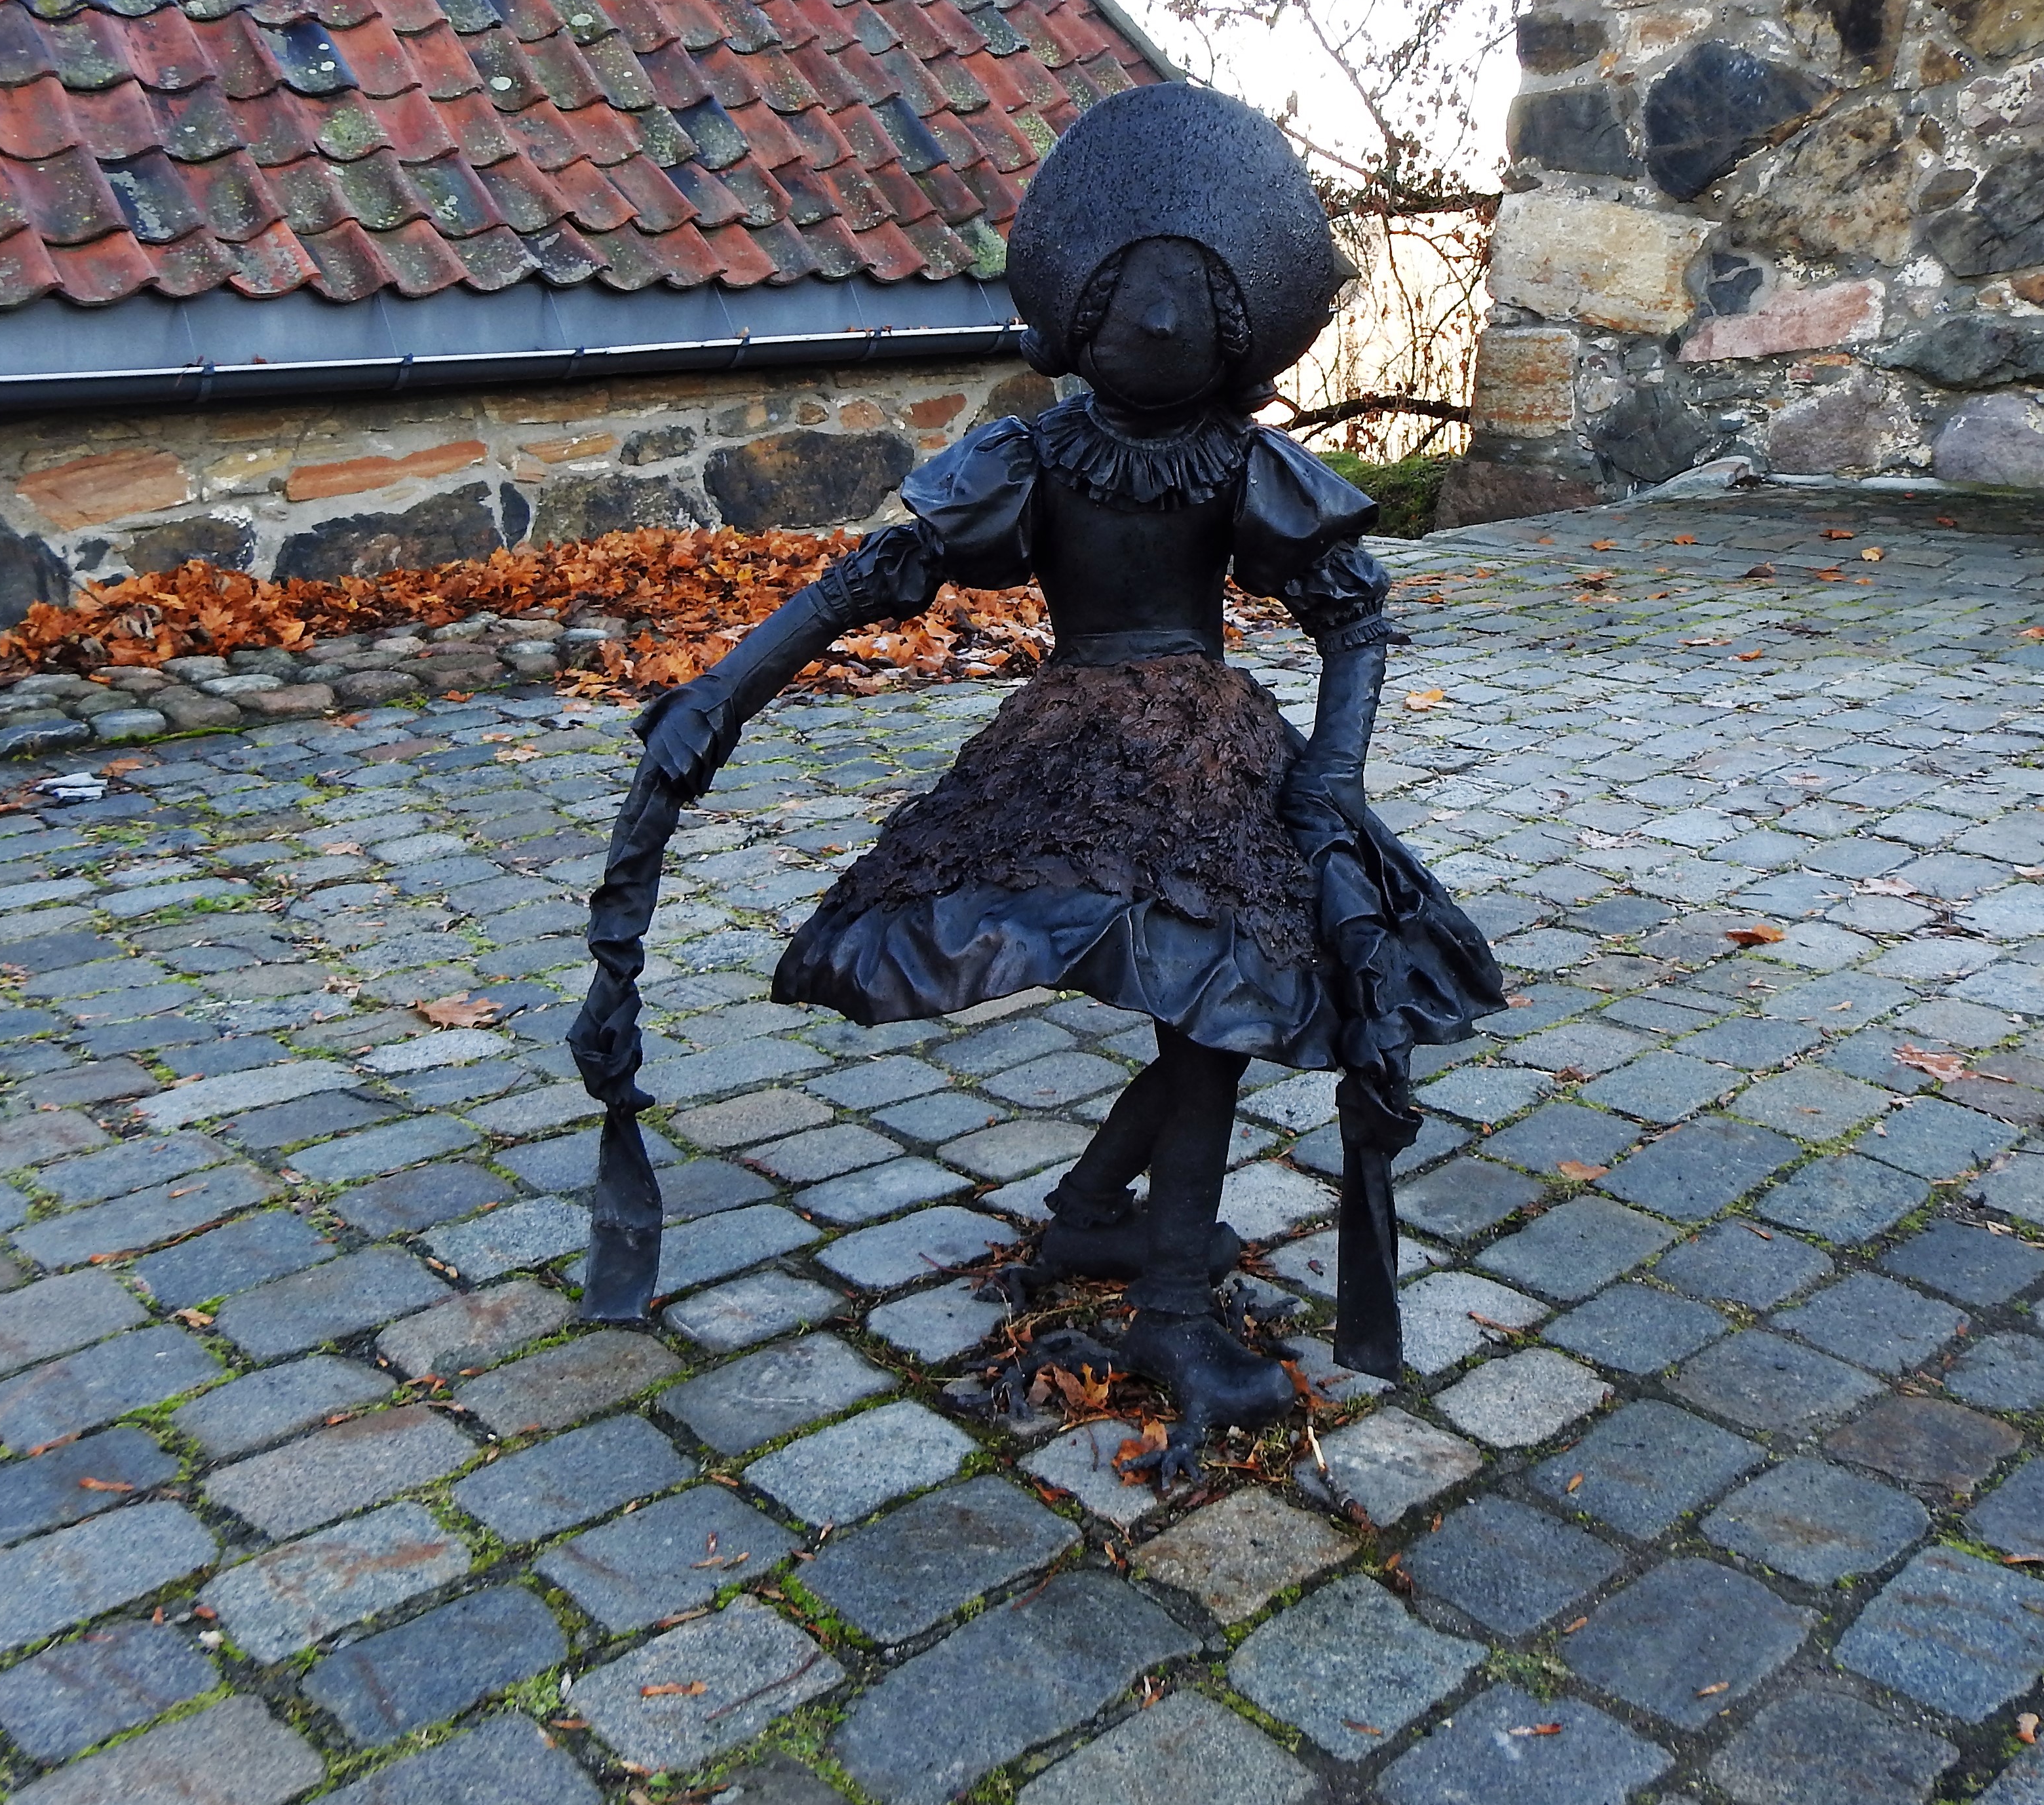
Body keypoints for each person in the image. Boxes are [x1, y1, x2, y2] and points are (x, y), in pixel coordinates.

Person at [569, 83, 1503, 1479]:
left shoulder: (1241, 464)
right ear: (1076, 316)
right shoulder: (1030, 458)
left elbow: (1353, 616)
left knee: (1218, 994)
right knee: (1211, 995)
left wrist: (1331, 777)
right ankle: (1164, 1301)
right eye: (1135, 305)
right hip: (1080, 747)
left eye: (1191, 311)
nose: (1162, 329)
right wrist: (717, 695)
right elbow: (871, 579)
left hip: (1209, 752)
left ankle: (1092, 1218)